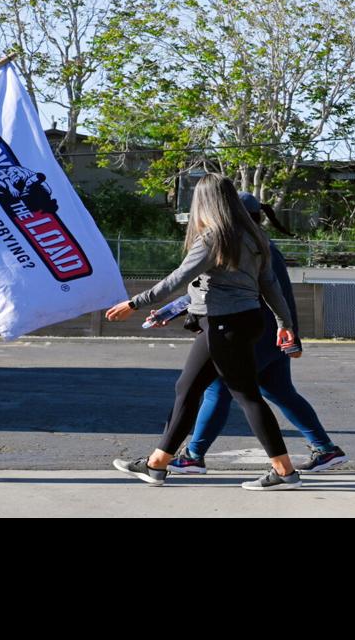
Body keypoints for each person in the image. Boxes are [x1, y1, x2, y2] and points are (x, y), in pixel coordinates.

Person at [105, 175, 303, 491]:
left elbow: (179, 277)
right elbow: (270, 286)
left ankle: (284, 472)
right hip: (242, 321)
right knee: (189, 386)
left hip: (224, 324)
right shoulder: (254, 236)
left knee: (246, 396)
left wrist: (134, 302)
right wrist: (285, 324)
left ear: (206, 202)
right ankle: (156, 464)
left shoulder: (214, 237)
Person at [163, 192, 347, 475]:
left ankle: (193, 455)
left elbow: (273, 293)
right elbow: (218, 289)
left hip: (255, 335)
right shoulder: (258, 244)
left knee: (220, 388)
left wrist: (289, 334)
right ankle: (325, 448)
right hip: (270, 335)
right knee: (280, 391)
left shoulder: (250, 246)